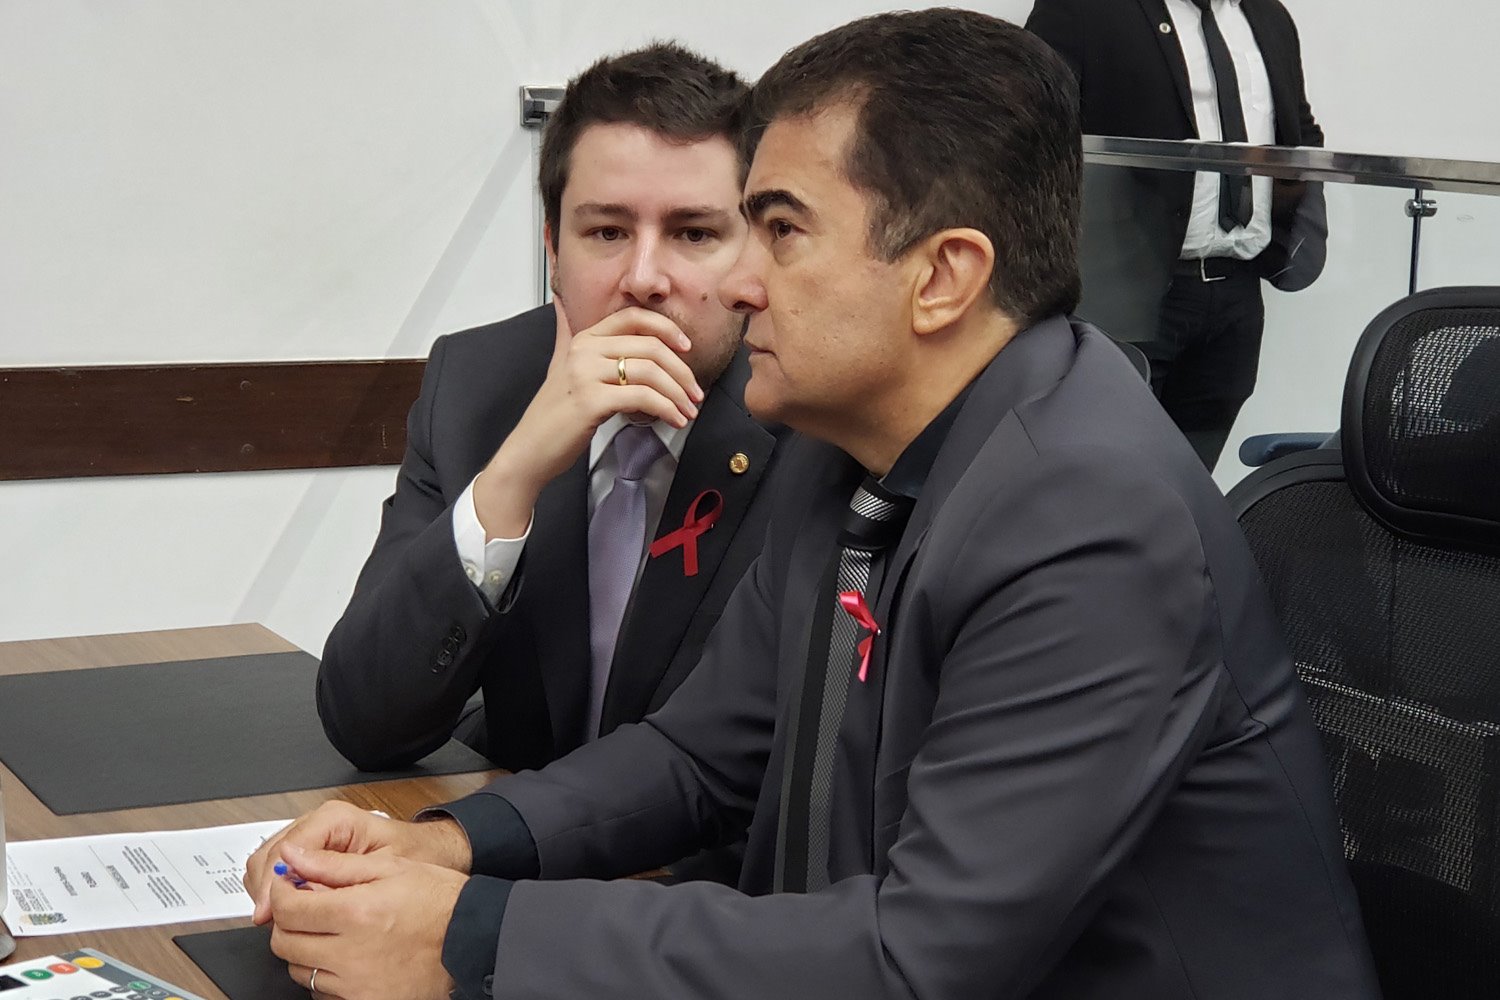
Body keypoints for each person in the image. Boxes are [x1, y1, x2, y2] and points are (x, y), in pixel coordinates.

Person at [247, 11, 1380, 999]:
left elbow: (920, 959)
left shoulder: (1090, 514)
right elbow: (697, 757)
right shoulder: (854, 446)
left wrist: (468, 939)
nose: (740, 284)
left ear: (943, 276)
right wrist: (444, 846)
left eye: (781, 231)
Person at [316, 43, 787, 777]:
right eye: (607, 232)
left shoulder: (810, 409)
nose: (644, 278)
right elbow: (364, 721)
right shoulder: (478, 385)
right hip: (511, 826)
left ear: (752, 250)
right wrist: (512, 477)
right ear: (552, 250)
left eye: (693, 233)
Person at [1027, 0, 1328, 469]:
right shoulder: (1084, 9)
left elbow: (1299, 132)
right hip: (1124, 291)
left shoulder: (1269, 17)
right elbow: (1030, 135)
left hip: (1237, 295)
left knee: (1190, 482)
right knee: (1104, 473)